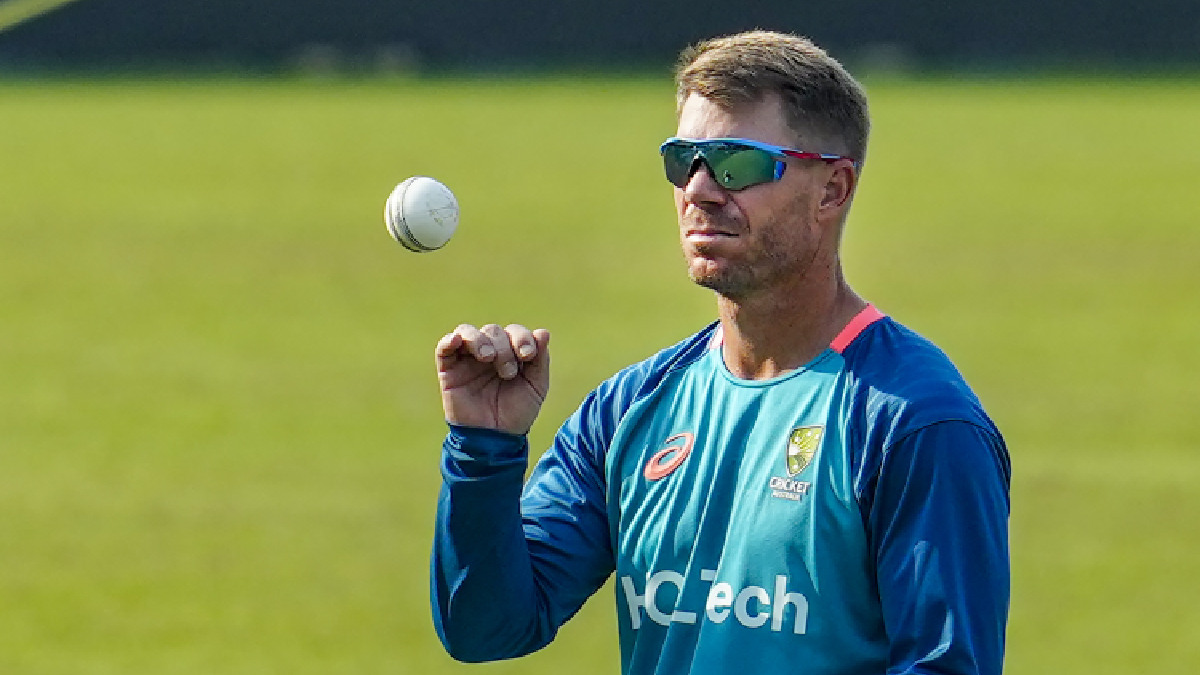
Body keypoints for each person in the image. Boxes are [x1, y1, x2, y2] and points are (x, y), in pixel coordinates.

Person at [429, 30, 1010, 675]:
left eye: (738, 164)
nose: (700, 190)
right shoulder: (631, 409)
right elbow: (484, 628)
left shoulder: (917, 423)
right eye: (685, 161)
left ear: (832, 189)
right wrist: (483, 450)